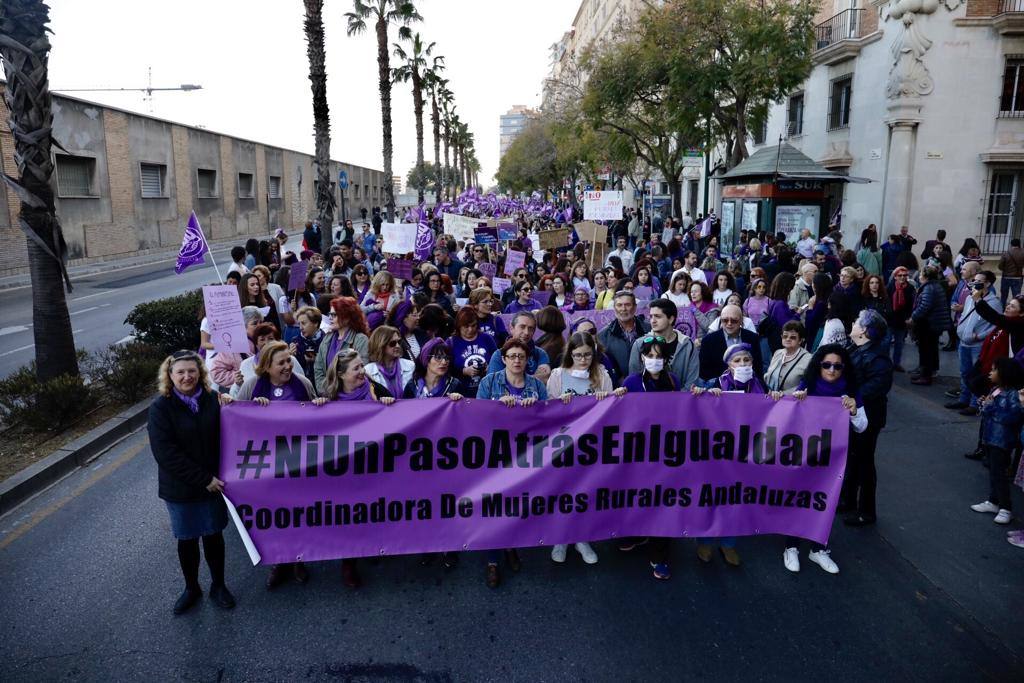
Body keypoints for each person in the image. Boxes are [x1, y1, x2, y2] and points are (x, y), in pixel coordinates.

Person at [147, 351, 235, 614]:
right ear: (170, 376)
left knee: (213, 536)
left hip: (213, 485)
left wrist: (231, 407)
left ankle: (218, 585)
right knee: (187, 540)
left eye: (192, 371)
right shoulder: (160, 408)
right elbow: (165, 453)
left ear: (200, 373)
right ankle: (191, 587)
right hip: (182, 489)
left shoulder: (212, 399)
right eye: (181, 372)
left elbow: (228, 433)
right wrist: (203, 478)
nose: (187, 376)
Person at [234, 341, 318, 589]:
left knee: (295, 512)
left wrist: (319, 404)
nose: (287, 366)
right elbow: (234, 417)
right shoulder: (252, 386)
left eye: (288, 361)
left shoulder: (302, 383)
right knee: (274, 515)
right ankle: (278, 561)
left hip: (297, 461)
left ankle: (298, 559)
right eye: (281, 363)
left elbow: (318, 416)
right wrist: (251, 408)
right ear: (267, 367)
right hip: (266, 464)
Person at [783, 344, 867, 574]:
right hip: (805, 455)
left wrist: (853, 411)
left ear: (844, 368)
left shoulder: (850, 391)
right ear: (818, 365)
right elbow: (785, 415)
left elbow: (862, 426)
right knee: (799, 500)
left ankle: (818, 548)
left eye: (837, 366)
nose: (831, 370)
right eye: (827, 365)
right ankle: (791, 547)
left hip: (833, 460)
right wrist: (796, 400)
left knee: (825, 503)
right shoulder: (807, 387)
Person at [546, 331, 624, 565]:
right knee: (562, 492)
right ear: (570, 353)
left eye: (588, 355)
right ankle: (561, 538)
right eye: (578, 355)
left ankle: (581, 538)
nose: (583, 360)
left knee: (585, 492)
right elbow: (547, 410)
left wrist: (607, 398)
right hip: (564, 443)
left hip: (592, 444)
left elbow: (613, 411)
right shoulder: (558, 375)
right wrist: (560, 403)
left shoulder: (601, 374)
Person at [477, 338, 547, 588]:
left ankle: (510, 546)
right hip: (494, 454)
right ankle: (493, 560)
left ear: (527, 360)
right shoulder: (489, 382)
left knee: (516, 505)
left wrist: (535, 407)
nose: (517, 360)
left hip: (525, 456)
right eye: (512, 356)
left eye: (521, 356)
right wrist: (496, 407)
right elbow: (476, 417)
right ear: (504, 359)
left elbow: (547, 420)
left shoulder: (537, 386)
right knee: (495, 508)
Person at [618, 336, 678, 578]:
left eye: (659, 356)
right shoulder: (631, 382)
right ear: (642, 357)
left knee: (661, 502)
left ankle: (659, 555)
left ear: (666, 359)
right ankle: (635, 533)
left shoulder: (673, 382)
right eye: (650, 356)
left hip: (664, 450)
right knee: (639, 496)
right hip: (637, 450)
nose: (654, 360)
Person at [844, 309, 894, 526]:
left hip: (868, 418)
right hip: (855, 416)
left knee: (864, 462)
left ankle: (866, 511)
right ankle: (848, 500)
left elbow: (879, 385)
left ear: (864, 330)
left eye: (856, 321)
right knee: (852, 459)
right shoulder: (856, 348)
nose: (853, 323)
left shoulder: (877, 356)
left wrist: (854, 397)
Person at [969, 357, 1024, 526]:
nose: (990, 373)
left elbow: (1012, 417)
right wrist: (984, 404)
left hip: (1002, 440)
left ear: (1004, 375)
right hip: (990, 438)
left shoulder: (1012, 395)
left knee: (999, 474)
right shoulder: (995, 390)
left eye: (994, 370)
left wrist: (991, 407)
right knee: (993, 471)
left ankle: (1005, 508)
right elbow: (990, 411)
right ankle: (993, 501)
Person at [946, 271, 999, 416]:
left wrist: (979, 336)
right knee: (964, 373)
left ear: (987, 283)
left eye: (978, 281)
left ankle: (975, 404)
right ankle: (964, 399)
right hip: (964, 342)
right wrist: (960, 330)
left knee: (977, 375)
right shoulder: (970, 298)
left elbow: (995, 325)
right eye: (974, 280)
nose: (974, 283)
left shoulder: (994, 302)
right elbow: (965, 315)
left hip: (977, 344)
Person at [626, 299, 699, 390]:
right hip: (646, 401)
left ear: (671, 319)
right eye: (651, 316)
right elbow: (634, 380)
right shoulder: (639, 344)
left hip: (680, 401)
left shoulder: (688, 346)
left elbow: (692, 382)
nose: (653, 321)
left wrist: (676, 400)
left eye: (657, 316)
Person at [313, 297, 371, 393]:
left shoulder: (360, 339)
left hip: (352, 395)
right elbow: (318, 368)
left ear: (347, 317)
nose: (330, 318)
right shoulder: (327, 338)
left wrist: (342, 392)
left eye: (334, 315)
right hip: (328, 395)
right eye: (330, 314)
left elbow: (363, 370)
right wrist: (325, 391)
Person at [598, 290, 651, 385]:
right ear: (614, 308)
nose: (623, 309)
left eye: (627, 304)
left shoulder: (649, 329)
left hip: (646, 384)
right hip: (618, 388)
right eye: (619, 305)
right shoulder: (603, 335)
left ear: (634, 307)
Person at [699, 304, 763, 382]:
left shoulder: (752, 338)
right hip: (718, 391)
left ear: (741, 320)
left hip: (748, 388)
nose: (729, 323)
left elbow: (758, 368)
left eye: (734, 320)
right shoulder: (708, 341)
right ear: (720, 320)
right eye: (725, 320)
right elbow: (704, 373)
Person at [909, 266, 950, 386]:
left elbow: (924, 307)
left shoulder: (929, 288)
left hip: (928, 324)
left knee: (926, 349)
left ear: (925, 276)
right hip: (934, 323)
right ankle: (929, 371)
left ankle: (925, 375)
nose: (919, 276)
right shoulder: (936, 286)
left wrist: (913, 317)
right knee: (931, 349)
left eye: (921, 274)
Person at [486, 312, 552, 382]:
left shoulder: (540, 354)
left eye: (530, 328)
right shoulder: (499, 355)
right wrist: (534, 378)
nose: (526, 332)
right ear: (511, 328)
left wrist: (511, 379)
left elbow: (544, 379)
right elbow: (495, 384)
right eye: (522, 327)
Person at [451, 307, 498, 398]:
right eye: (466, 326)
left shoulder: (486, 338)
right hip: (461, 393)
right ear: (459, 326)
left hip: (486, 391)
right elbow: (447, 368)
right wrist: (464, 371)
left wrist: (490, 367)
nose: (470, 329)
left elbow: (497, 359)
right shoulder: (452, 342)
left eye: (473, 325)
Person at [364, 325, 416, 400]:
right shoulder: (368, 370)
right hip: (383, 411)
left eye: (399, 342)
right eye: (392, 343)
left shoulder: (410, 365)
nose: (397, 346)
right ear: (381, 345)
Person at [765, 321, 812, 396]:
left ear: (800, 340)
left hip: (792, 402)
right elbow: (767, 376)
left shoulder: (809, 359)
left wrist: (783, 394)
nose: (788, 339)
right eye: (785, 336)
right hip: (771, 399)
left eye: (792, 337)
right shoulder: (777, 353)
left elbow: (807, 385)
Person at [888, 266, 916, 371]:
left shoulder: (910, 288)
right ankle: (886, 363)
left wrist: (909, 317)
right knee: (886, 343)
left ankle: (896, 363)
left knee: (899, 344)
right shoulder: (890, 287)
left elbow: (912, 305)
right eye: (900, 275)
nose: (902, 277)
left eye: (905, 275)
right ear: (895, 277)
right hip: (890, 320)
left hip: (902, 321)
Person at [998, 238, 1024, 306]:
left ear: (1011, 244)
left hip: (1006, 277)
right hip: (1018, 277)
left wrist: (1006, 269)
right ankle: (1015, 311)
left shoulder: (1006, 253)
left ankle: (1002, 311)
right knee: (1016, 297)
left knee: (1003, 296)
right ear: (1019, 244)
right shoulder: (1023, 253)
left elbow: (1000, 266)